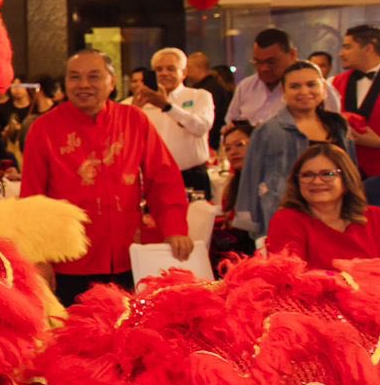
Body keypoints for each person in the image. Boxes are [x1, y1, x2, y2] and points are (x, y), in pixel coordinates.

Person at [20, 50, 192, 306]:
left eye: (94, 77)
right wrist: (37, 256)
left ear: (112, 83)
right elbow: (32, 198)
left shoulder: (134, 121)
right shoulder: (44, 129)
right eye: (75, 77)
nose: (84, 85)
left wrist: (175, 227)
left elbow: (163, 177)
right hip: (68, 261)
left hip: (126, 255)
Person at [235, 61, 357, 237]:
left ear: (323, 89)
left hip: (336, 216)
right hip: (285, 216)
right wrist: (254, 228)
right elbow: (250, 179)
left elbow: (352, 174)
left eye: (311, 84)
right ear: (284, 92)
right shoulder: (268, 130)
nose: (304, 92)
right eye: (295, 86)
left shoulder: (338, 125)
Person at [265, 144, 380, 268]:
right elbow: (289, 278)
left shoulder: (376, 217)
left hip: (378, 291)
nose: (316, 181)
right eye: (307, 175)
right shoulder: (287, 220)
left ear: (346, 180)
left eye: (327, 174)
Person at [136, 47, 215, 197]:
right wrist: (136, 108)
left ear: (184, 73)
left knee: (196, 220)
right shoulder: (142, 101)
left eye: (171, 69)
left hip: (192, 177)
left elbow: (201, 127)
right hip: (155, 179)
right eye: (159, 69)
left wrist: (167, 107)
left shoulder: (199, 96)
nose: (164, 73)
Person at [225, 27, 341, 129]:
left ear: (292, 54)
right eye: (258, 62)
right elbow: (229, 125)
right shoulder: (246, 87)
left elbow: (334, 128)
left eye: (271, 62)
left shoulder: (316, 88)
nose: (264, 68)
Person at [334, 24, 380, 179]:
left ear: (368, 48)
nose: (341, 54)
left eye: (347, 47)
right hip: (348, 172)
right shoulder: (335, 82)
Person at [209, 122, 256, 271]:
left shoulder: (266, 183)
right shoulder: (233, 184)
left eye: (240, 145)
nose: (233, 152)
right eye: (228, 148)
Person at [186, 50, 232, 149]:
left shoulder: (209, 90)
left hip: (211, 142)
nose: (186, 72)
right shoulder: (213, 85)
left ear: (199, 68)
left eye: (188, 68)